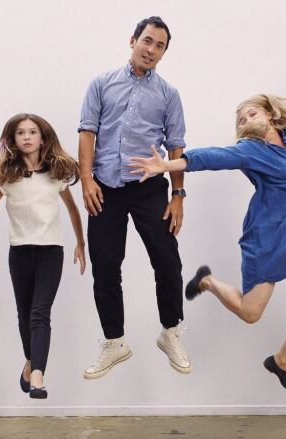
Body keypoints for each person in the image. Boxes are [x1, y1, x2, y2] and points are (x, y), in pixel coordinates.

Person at [130, 58, 286, 393]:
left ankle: (281, 360)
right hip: (267, 238)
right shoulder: (249, 151)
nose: (246, 119)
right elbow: (213, 157)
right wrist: (167, 164)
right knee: (252, 314)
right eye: (241, 119)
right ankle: (208, 281)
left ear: (269, 114)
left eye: (252, 113)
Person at [77, 16, 190, 379]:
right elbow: (87, 133)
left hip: (148, 187)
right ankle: (115, 342)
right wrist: (86, 180)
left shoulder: (169, 94)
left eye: (159, 46)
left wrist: (178, 195)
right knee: (105, 268)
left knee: (168, 261)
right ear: (133, 41)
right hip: (105, 187)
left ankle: (170, 331)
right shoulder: (101, 84)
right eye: (147, 41)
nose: (152, 50)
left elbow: (176, 146)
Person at [0, 113, 86, 399]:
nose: (26, 137)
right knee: (24, 315)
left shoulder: (56, 173)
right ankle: (30, 362)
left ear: (42, 137)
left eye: (32, 132)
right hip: (20, 253)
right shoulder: (7, 176)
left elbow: (73, 210)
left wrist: (80, 243)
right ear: (12, 139)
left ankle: (38, 375)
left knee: (40, 313)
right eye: (20, 133)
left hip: (51, 252)